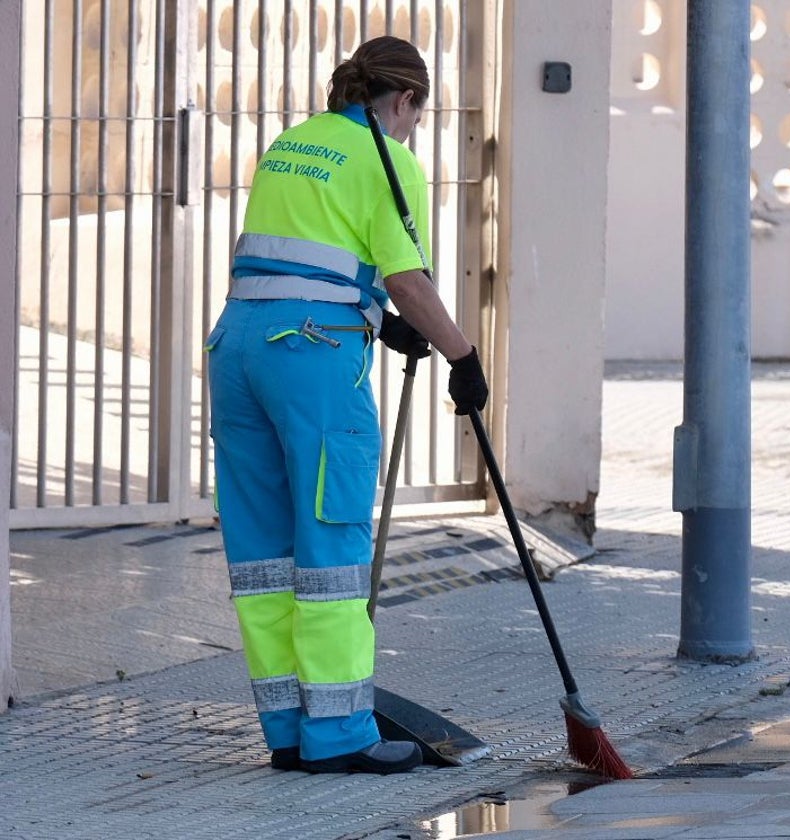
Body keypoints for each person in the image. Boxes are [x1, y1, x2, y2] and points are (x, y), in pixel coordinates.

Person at [205, 36, 488, 775]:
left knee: (264, 553)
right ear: (404, 101)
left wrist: (377, 318)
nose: (414, 129)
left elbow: (305, 254)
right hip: (313, 357)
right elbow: (409, 279)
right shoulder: (390, 160)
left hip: (237, 347)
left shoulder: (292, 142)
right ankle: (338, 734)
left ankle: (288, 732)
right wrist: (462, 357)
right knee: (330, 548)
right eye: (417, 116)